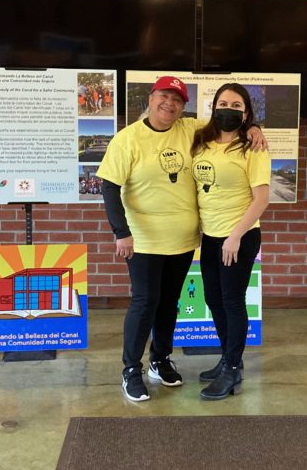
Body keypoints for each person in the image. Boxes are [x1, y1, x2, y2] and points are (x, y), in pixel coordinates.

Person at [98, 76, 265, 402]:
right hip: (144, 240)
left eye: (177, 100)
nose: (169, 104)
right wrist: (121, 232)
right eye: (164, 96)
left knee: (169, 304)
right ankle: (131, 369)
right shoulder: (127, 139)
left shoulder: (192, 130)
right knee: (145, 303)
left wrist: (254, 130)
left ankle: (160, 360)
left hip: (184, 240)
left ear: (183, 107)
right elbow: (109, 187)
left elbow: (229, 124)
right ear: (151, 97)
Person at [191, 83, 270, 401]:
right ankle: (227, 358)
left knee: (233, 301)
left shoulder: (253, 148)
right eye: (223, 103)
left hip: (239, 237)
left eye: (236, 105)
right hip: (210, 237)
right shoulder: (201, 140)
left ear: (246, 112)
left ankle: (233, 368)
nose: (228, 109)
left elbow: (261, 199)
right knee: (213, 299)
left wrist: (235, 236)